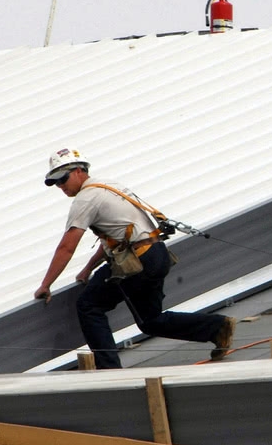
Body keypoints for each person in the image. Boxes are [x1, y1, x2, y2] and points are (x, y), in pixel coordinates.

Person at [34, 148, 235, 369]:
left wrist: (46, 284)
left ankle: (109, 369)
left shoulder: (85, 199)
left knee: (89, 305)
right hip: (156, 254)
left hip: (137, 261)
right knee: (150, 321)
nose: (61, 186)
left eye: (63, 178)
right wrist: (88, 268)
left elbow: (66, 248)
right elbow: (118, 236)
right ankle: (217, 328)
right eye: (55, 182)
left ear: (80, 171)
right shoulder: (110, 186)